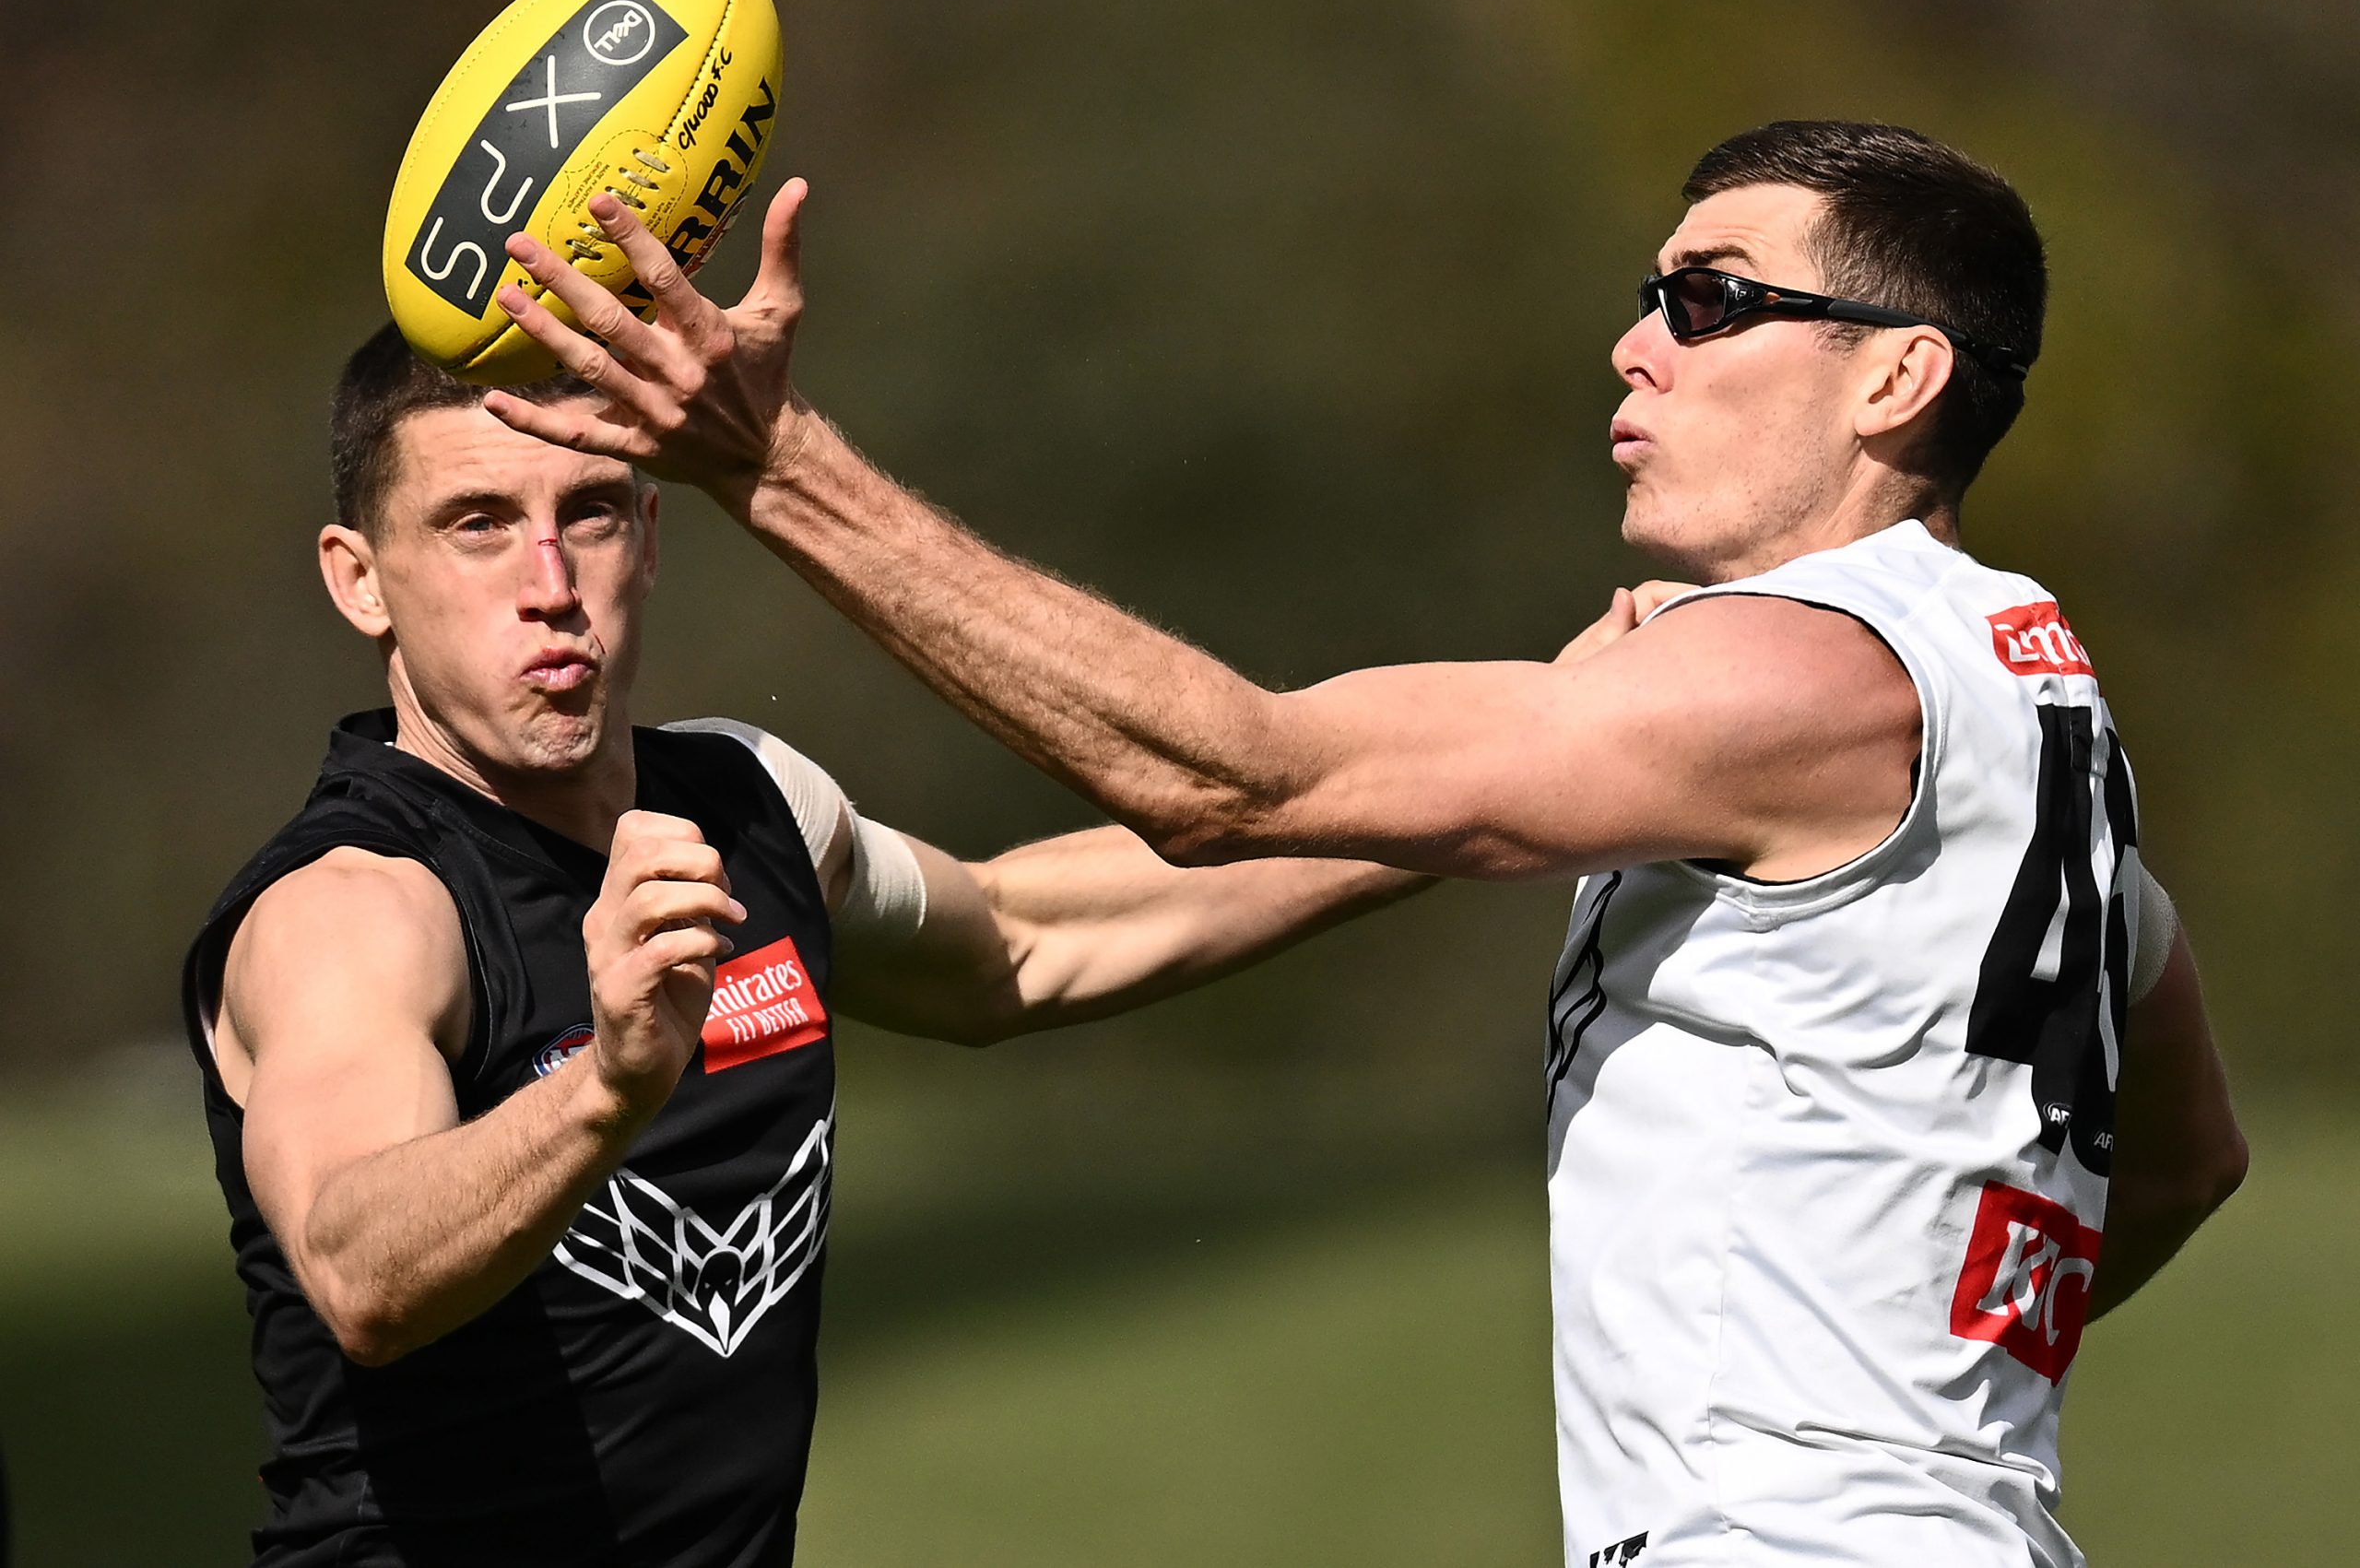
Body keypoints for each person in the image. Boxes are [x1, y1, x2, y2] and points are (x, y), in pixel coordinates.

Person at [486, 117, 2249, 1568]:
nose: (1635, 343)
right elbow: (2181, 1157)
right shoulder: (2024, 708)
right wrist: (818, 851)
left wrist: (770, 460)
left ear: (1898, 378)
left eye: (1711, 301)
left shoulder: (1798, 674)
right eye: (1651, 294)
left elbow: (1230, 776)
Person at [181, 326, 1435, 1566]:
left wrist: (1472, 806)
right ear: (359, 578)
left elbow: (1021, 938)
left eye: (596, 509)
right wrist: (607, 1086)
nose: (550, 579)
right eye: (480, 523)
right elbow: (361, 1269)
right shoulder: (354, 910)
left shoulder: (752, 803)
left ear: (653, 538)